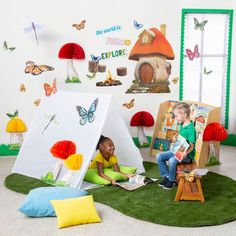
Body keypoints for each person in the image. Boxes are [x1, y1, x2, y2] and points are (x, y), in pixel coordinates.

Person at [157, 102, 196, 189]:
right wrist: (176, 138)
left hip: (187, 155)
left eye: (176, 116)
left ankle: (172, 180)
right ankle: (166, 176)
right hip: (178, 151)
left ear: (184, 115)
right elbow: (182, 139)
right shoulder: (182, 124)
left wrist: (186, 153)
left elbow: (191, 146)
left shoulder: (191, 129)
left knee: (172, 160)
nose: (175, 118)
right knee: (159, 156)